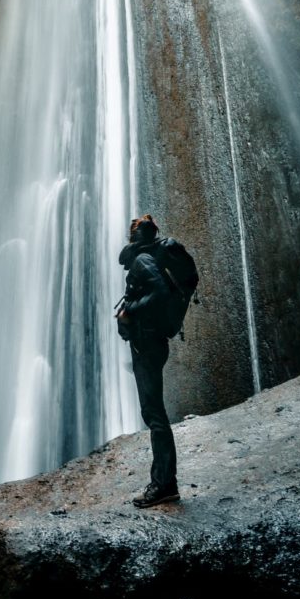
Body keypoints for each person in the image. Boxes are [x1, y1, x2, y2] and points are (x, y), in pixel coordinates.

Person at [117, 214, 181, 508]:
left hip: (148, 344)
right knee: (153, 412)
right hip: (153, 341)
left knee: (154, 414)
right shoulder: (149, 256)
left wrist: (130, 310)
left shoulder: (142, 261)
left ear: (134, 237)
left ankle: (164, 483)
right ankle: (164, 480)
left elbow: (159, 291)